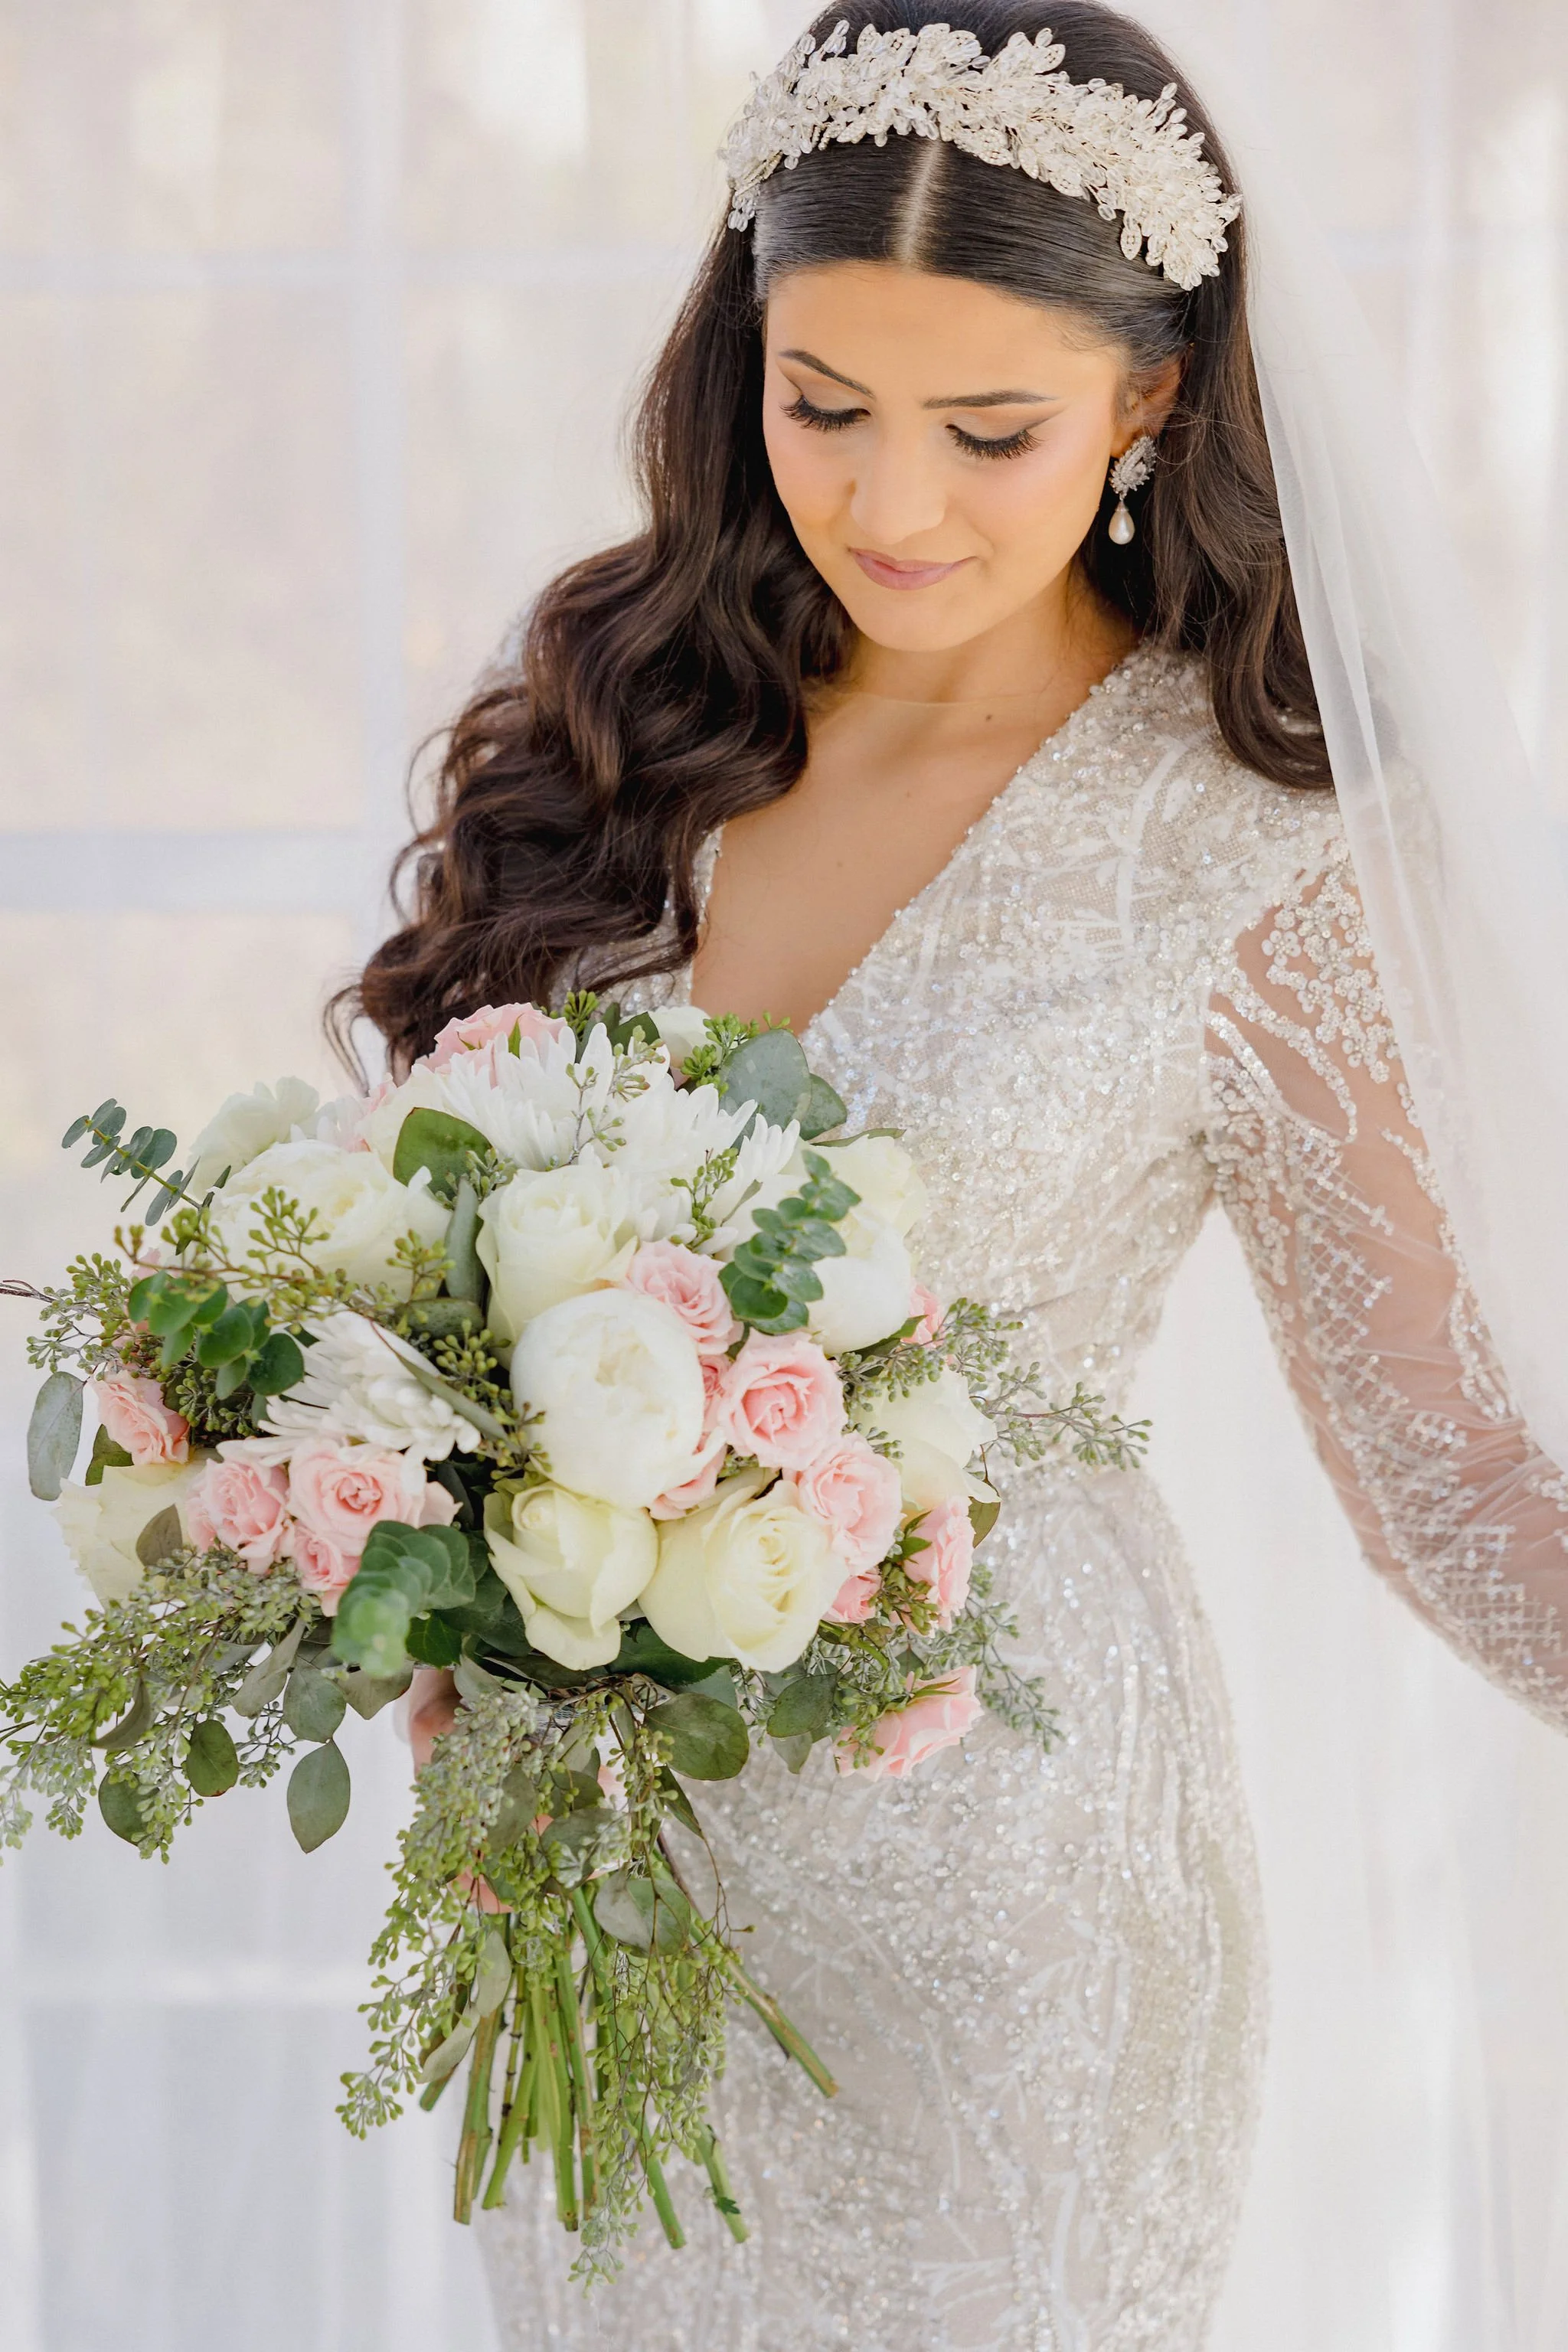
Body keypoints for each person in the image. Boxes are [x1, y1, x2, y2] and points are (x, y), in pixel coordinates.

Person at [350, 6, 1568, 2345]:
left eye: (988, 430)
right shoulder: (621, 734)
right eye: (826, 406)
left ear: (1153, 402)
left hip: (1008, 1901)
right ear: (744, 363)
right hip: (582, 1886)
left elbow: (1436, 1458)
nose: (893, 503)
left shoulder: (1254, 858)